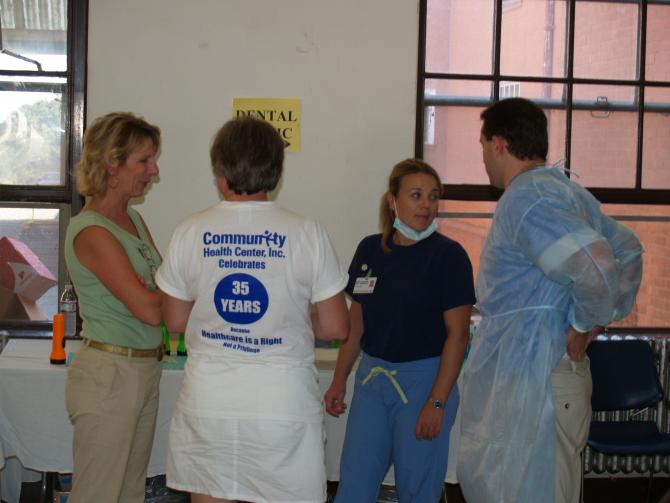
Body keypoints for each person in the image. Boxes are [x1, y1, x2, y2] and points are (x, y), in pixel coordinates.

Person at [457, 97, 644, 503]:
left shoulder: (530, 200)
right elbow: (627, 250)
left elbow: (597, 265)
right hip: (534, 374)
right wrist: (594, 319)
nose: (484, 158)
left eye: (482, 145)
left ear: (499, 145)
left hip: (534, 378)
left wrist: (583, 326)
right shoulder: (564, 193)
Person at [155, 115, 349, 503]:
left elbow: (174, 320)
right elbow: (336, 326)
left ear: (220, 173)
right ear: (275, 173)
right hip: (282, 404)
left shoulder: (190, 230)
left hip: (210, 402)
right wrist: (289, 316)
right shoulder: (306, 231)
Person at [324, 158, 475, 502]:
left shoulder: (448, 256)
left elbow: (459, 336)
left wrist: (437, 401)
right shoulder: (370, 250)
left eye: (433, 197)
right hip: (372, 381)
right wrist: (337, 381)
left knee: (417, 489)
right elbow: (356, 323)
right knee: (354, 486)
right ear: (393, 200)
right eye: (416, 195)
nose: (426, 205)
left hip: (426, 383)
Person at [64, 112, 163, 503]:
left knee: (129, 493)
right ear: (112, 164)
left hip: (144, 367)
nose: (153, 171)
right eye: (144, 161)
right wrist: (151, 294)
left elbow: (171, 289)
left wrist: (153, 292)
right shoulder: (91, 229)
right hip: (110, 374)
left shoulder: (133, 220)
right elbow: (153, 310)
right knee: (99, 494)